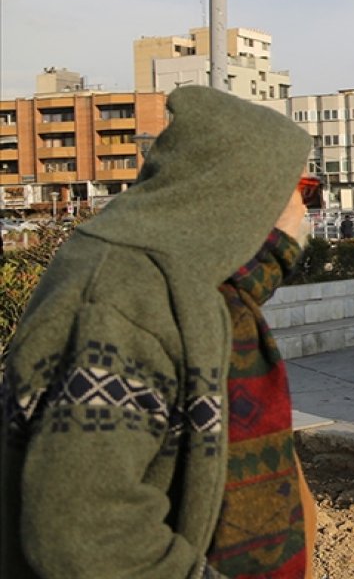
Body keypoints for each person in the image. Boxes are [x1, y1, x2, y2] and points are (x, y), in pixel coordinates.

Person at [0, 86, 314, 578]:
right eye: (304, 188)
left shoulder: (199, 289)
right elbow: (83, 533)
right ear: (248, 192)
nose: (306, 210)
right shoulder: (126, 297)